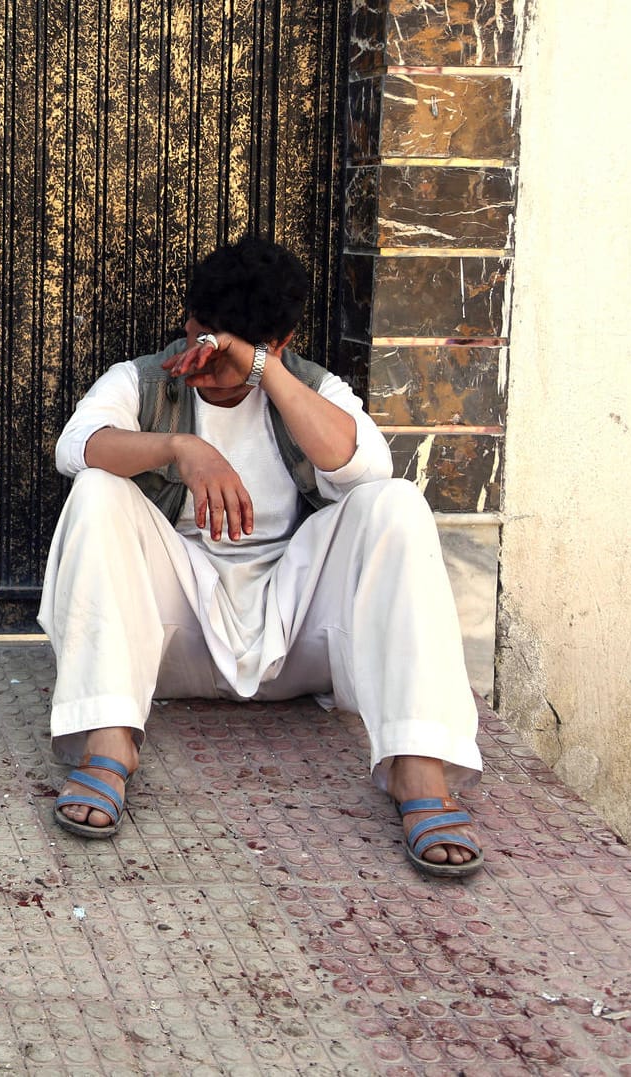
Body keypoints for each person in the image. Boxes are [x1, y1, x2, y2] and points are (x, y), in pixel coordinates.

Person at [38, 235, 484, 878]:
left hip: (297, 637)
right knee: (98, 488)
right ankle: (108, 741)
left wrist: (262, 372)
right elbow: (76, 446)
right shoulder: (142, 382)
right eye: (203, 340)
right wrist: (180, 449)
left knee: (396, 504)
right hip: (175, 639)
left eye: (233, 353)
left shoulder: (307, 386)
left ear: (278, 344)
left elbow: (369, 464)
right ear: (189, 324)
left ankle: (416, 766)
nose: (209, 362)